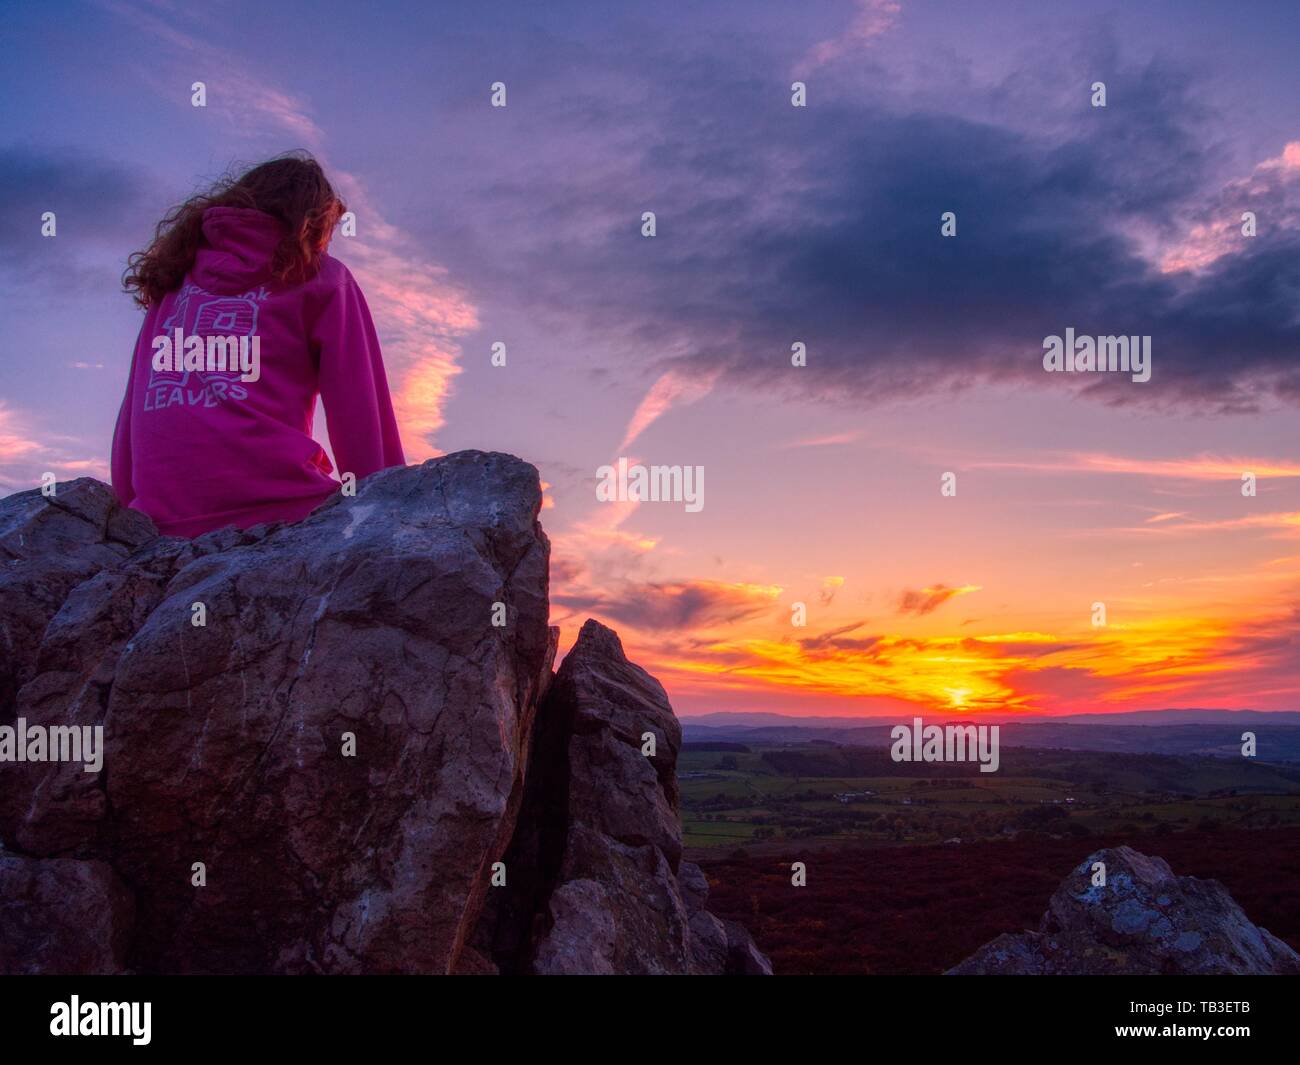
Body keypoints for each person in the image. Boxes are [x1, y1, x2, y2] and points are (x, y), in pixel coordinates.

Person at [112, 153, 404, 537]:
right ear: (310, 222)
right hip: (279, 507)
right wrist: (394, 503)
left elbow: (135, 406)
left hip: (161, 517)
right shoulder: (322, 278)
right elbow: (360, 409)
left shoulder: (173, 285)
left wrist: (131, 505)